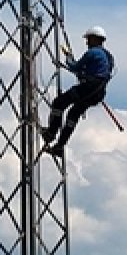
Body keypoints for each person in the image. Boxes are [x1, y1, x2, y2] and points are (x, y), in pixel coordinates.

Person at [42, 25, 115, 158]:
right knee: (73, 114)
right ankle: (59, 146)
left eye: (88, 39)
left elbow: (75, 67)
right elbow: (100, 72)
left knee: (59, 103)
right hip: (98, 92)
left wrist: (68, 57)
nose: (87, 43)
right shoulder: (109, 56)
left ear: (94, 39)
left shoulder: (93, 53)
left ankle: (51, 133)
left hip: (88, 88)